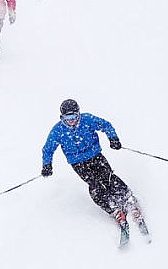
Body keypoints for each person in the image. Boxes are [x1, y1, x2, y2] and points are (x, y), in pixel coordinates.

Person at [41, 99, 148, 244]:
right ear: (62, 117)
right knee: (94, 185)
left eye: (73, 117)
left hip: (95, 156)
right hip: (78, 163)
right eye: (67, 118)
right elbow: (48, 149)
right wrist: (47, 165)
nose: (71, 121)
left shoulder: (87, 120)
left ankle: (128, 199)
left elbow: (106, 125)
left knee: (108, 177)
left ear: (78, 114)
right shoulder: (58, 131)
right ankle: (114, 209)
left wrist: (113, 138)